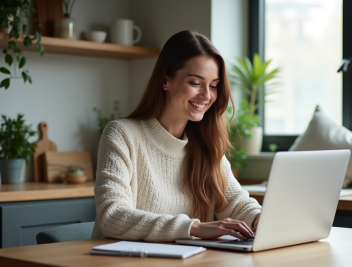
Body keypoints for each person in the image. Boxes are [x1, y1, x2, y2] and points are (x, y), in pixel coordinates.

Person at [91, 30, 261, 242]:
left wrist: (259, 218)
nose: (207, 96)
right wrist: (195, 228)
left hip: (185, 266)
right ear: (165, 81)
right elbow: (112, 217)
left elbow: (236, 204)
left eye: (214, 86)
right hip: (120, 266)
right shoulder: (122, 134)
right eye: (195, 83)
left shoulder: (206, 144)